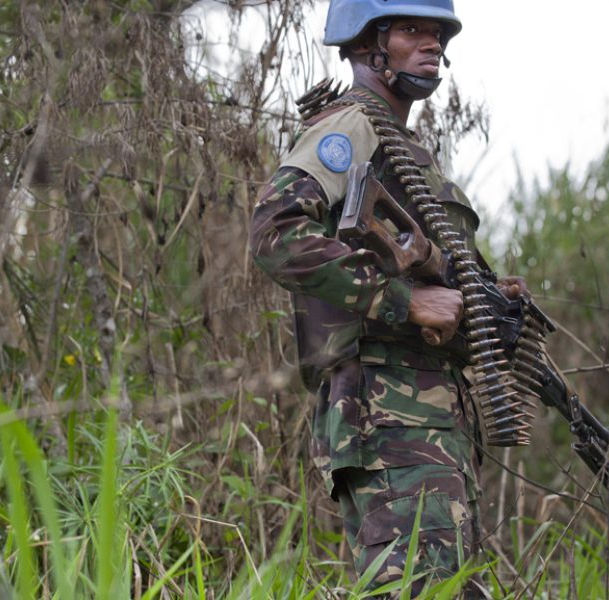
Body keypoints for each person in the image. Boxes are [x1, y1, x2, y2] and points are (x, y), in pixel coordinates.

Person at [249, 0, 524, 594]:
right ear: (367, 45)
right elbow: (276, 232)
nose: (432, 45)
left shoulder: (400, 146)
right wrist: (402, 301)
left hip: (428, 418)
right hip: (387, 412)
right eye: (410, 30)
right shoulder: (350, 127)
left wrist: (480, 294)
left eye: (437, 32)